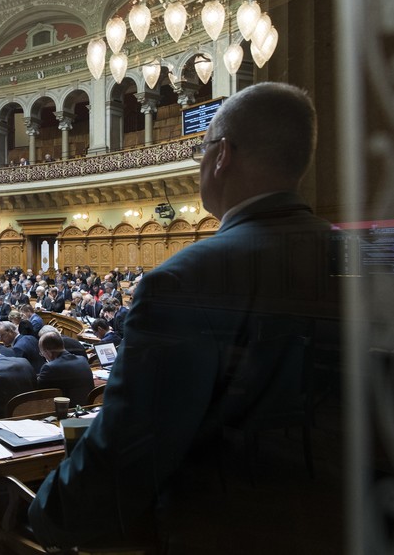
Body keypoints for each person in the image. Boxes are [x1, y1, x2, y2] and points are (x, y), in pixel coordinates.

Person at [29, 83, 343, 553]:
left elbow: (133, 447)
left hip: (225, 530)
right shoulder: (365, 258)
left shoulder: (181, 280)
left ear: (222, 157)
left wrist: (44, 512)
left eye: (202, 151)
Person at [36, 331, 94, 405]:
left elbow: (39, 393)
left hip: (66, 411)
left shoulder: (49, 368)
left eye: (42, 353)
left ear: (48, 352)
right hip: (87, 407)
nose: (43, 356)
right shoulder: (83, 360)